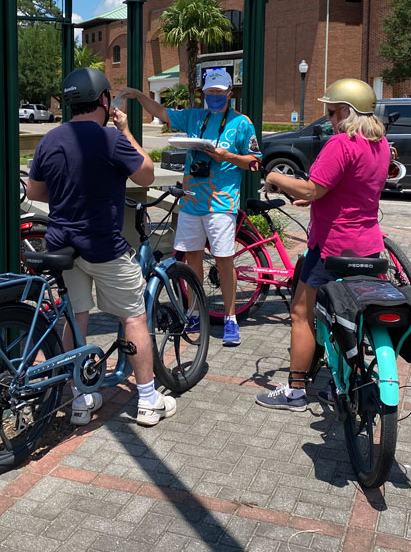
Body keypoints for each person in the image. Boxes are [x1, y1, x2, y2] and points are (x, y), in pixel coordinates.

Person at [25, 67, 176, 427]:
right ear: (104, 101)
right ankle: (147, 400)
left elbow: (34, 192)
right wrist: (125, 131)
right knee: (133, 316)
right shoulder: (110, 139)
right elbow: (147, 174)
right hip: (104, 246)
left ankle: (79, 398)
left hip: (63, 245)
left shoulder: (50, 139)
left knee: (75, 316)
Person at [255, 79, 390, 411]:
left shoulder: (342, 143)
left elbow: (312, 188)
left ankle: (295, 391)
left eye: (331, 112)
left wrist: (275, 178)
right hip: (369, 245)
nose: (328, 120)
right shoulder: (381, 144)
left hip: (332, 247)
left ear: (347, 112)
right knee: (352, 315)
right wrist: (314, 197)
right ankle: (349, 380)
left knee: (300, 312)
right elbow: (342, 188)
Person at [121, 68, 260, 347]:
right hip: (190, 201)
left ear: (230, 94)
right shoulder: (196, 116)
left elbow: (255, 162)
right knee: (193, 258)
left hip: (222, 204)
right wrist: (138, 96)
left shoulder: (242, 123)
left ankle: (231, 319)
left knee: (224, 260)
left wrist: (226, 156)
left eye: (220, 93)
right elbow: (161, 112)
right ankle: (195, 311)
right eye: (210, 93)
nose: (215, 97)